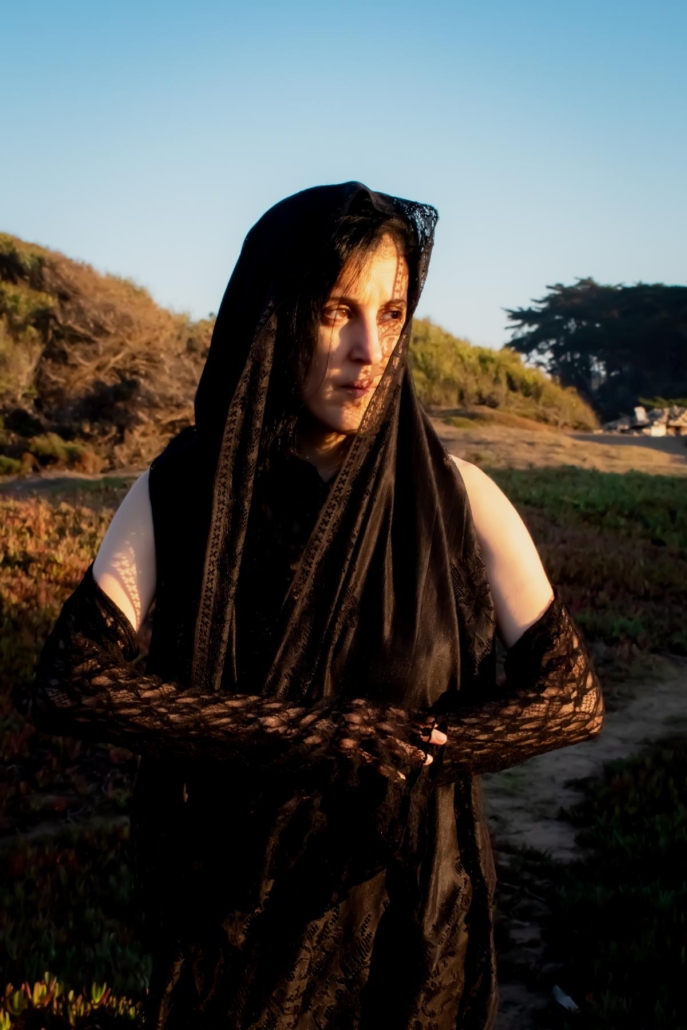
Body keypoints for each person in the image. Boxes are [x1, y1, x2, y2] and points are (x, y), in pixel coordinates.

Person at [27, 182, 604, 1030]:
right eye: (338, 311)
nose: (369, 349)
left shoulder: (458, 497)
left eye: (391, 313)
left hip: (408, 928)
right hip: (237, 931)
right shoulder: (185, 493)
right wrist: (306, 733)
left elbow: (571, 697)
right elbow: (71, 679)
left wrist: (412, 752)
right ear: (275, 315)